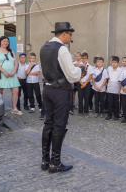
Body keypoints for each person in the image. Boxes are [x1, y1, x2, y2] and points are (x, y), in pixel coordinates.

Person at [40, 22, 81, 173]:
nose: (71, 37)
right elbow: (71, 75)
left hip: (48, 89)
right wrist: (80, 69)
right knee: (59, 125)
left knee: (48, 123)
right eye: (70, 34)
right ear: (64, 33)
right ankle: (55, 162)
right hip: (60, 91)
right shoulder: (62, 49)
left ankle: (45, 160)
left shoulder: (44, 46)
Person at [0, 36, 22, 115]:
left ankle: (14, 108)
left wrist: (14, 71)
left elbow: (15, 62)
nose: (6, 43)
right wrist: (4, 71)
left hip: (12, 75)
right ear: (0, 42)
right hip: (1, 74)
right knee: (0, 92)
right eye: (4, 41)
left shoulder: (10, 51)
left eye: (7, 41)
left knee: (16, 91)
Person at [106, 56, 122, 121]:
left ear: (118, 63)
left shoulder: (120, 70)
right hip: (110, 88)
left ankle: (116, 115)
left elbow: (121, 81)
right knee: (110, 102)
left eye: (115, 63)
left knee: (116, 103)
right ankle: (109, 115)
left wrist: (120, 90)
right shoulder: (109, 69)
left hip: (116, 88)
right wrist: (107, 88)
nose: (113, 64)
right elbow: (108, 78)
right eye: (112, 62)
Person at [78, 52, 93, 118]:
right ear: (81, 59)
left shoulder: (90, 67)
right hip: (80, 83)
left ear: (87, 59)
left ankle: (86, 111)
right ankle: (80, 111)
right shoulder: (79, 67)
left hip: (87, 83)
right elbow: (77, 76)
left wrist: (85, 84)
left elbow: (90, 76)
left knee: (86, 97)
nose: (84, 60)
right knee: (80, 97)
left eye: (85, 58)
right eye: (83, 58)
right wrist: (81, 83)